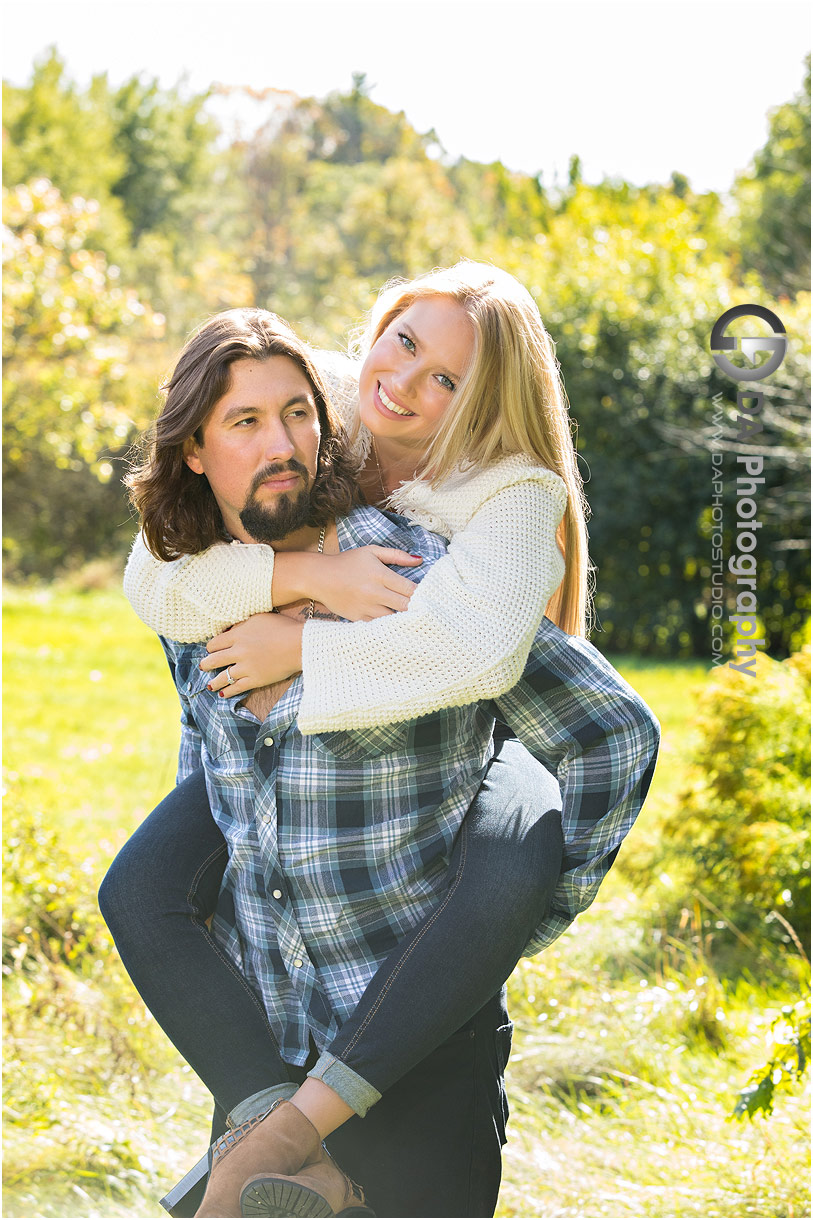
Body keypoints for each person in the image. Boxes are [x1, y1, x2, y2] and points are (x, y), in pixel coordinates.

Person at [104, 279, 659, 1214]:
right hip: (263, 1043)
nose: (277, 443)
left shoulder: (423, 573)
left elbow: (610, 733)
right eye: (243, 423)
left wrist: (500, 929)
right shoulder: (196, 582)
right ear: (193, 451)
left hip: (417, 1040)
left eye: (290, 417)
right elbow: (203, 743)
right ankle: (280, 1134)